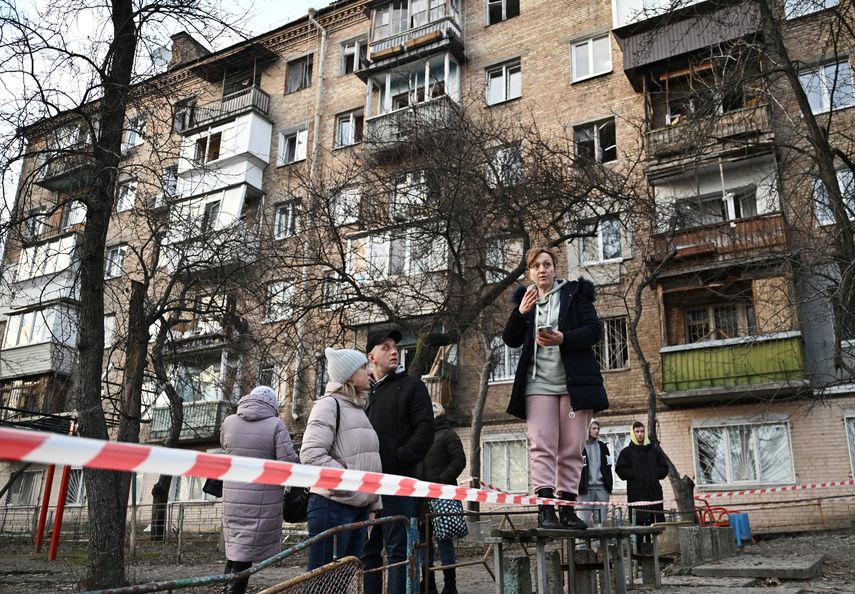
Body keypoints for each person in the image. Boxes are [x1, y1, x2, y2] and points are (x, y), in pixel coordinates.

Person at [502, 246, 608, 530]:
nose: (542, 270)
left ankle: (568, 510)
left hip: (574, 387)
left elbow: (594, 331)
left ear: (554, 269)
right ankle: (546, 509)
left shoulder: (575, 294)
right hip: (538, 385)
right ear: (530, 273)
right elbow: (510, 340)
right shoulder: (527, 300)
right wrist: (520, 313)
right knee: (542, 444)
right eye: (536, 266)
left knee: (572, 448)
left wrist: (564, 338)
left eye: (547, 264)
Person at [361, 328, 435, 594]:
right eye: (386, 347)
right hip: (365, 486)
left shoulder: (413, 386)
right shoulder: (362, 392)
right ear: (371, 357)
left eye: (395, 346)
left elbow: (425, 430)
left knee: (398, 552)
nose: (394, 351)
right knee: (367, 552)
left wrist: (399, 458)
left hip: (399, 484)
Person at [301, 348, 383, 571]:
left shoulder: (358, 410)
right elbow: (311, 454)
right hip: (332, 506)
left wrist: (373, 507)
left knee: (343, 578)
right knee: (323, 581)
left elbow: (369, 461)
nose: (369, 371)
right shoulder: (328, 405)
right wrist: (350, 485)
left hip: (359, 509)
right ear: (349, 375)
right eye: (363, 367)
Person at [220, 386, 298, 594]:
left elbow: (225, 447)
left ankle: (227, 588)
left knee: (237, 550)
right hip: (262, 499)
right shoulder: (276, 425)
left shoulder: (229, 422)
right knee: (244, 554)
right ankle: (233, 591)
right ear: (272, 403)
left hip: (233, 498)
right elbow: (288, 462)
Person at [419, 402, 466, 594]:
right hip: (421, 500)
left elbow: (459, 460)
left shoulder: (448, 434)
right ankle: (428, 583)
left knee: (444, 539)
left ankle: (450, 584)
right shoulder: (421, 437)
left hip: (442, 498)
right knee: (423, 541)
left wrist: (441, 481)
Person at [615, 421, 669, 534]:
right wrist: (634, 473)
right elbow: (620, 470)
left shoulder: (654, 451)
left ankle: (653, 546)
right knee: (638, 526)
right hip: (636, 494)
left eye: (642, 431)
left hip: (654, 493)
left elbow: (664, 468)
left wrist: (654, 473)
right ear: (633, 433)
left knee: (655, 527)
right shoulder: (626, 452)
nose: (640, 434)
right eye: (637, 431)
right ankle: (639, 545)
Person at [578, 419, 613, 527]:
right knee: (582, 521)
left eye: (598, 428)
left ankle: (600, 539)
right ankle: (582, 540)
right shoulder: (579, 447)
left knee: (601, 522)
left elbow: (608, 466)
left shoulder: (603, 447)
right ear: (587, 429)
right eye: (593, 428)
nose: (597, 431)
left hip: (602, 489)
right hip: (585, 490)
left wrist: (609, 485)